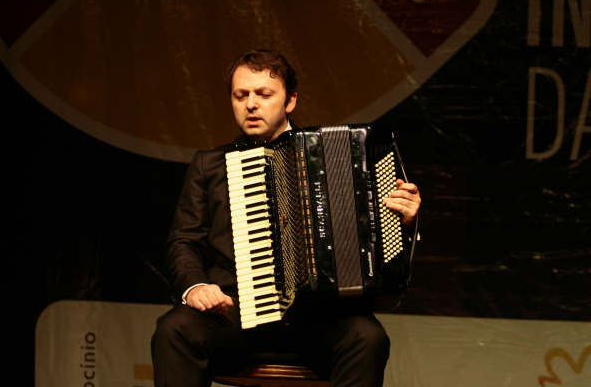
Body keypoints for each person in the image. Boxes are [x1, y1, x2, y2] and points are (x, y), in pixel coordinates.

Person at [151, 49, 421, 387]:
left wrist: (403, 222)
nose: (251, 104)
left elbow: (371, 242)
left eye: (263, 94)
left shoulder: (332, 156)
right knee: (174, 329)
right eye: (241, 95)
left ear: (290, 100)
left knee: (368, 338)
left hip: (318, 320)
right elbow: (183, 241)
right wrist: (196, 287)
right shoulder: (209, 165)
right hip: (234, 316)